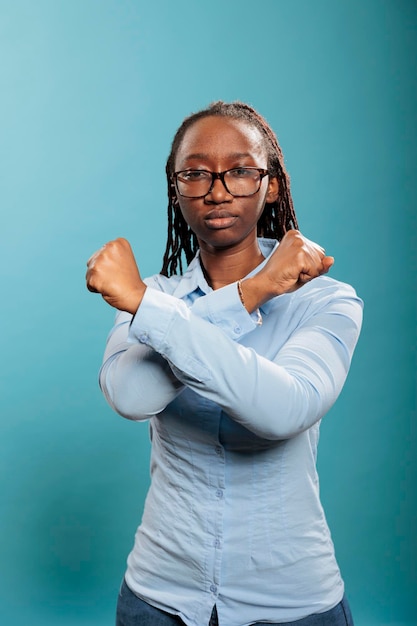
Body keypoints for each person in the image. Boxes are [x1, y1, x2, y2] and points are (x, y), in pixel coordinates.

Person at [86, 101, 363, 626]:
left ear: (272, 184)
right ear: (176, 187)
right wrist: (251, 294)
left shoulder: (326, 301)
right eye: (195, 173)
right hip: (157, 598)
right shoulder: (151, 296)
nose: (217, 190)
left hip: (290, 602)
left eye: (239, 170)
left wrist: (158, 314)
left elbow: (284, 409)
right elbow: (132, 397)